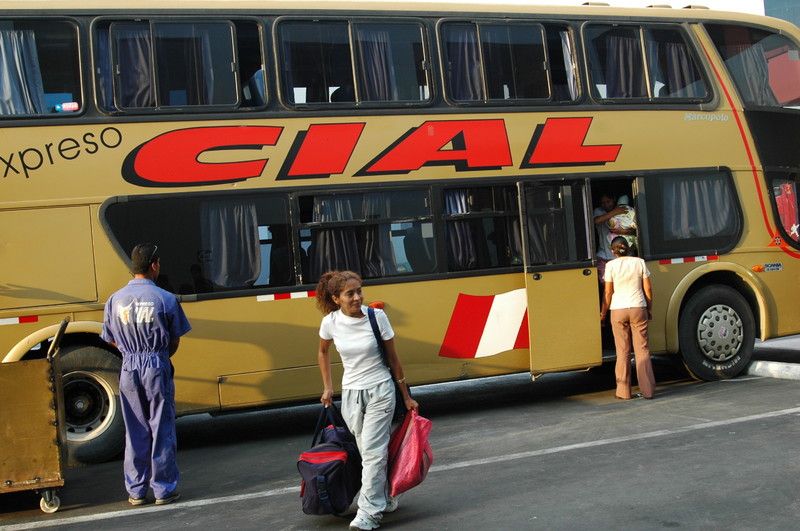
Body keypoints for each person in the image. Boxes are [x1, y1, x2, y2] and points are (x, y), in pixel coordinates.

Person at [316, 270, 418, 531]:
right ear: (336, 298)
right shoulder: (330, 322)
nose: (357, 297)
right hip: (351, 393)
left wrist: (405, 395)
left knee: (372, 453)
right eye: (350, 293)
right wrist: (328, 388)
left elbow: (394, 359)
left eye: (359, 291)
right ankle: (386, 495)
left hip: (380, 390)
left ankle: (368, 513)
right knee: (368, 453)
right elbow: (323, 351)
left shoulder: (377, 317)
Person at [101, 243, 192, 506]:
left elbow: (110, 339)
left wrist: (132, 352)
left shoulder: (114, 300)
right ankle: (163, 489)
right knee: (161, 427)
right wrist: (157, 356)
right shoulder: (165, 298)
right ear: (154, 266)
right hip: (156, 365)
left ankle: (136, 490)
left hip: (129, 366)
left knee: (135, 428)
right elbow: (174, 340)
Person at [600, 237, 656, 400]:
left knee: (623, 351)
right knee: (642, 350)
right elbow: (647, 288)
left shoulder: (610, 266)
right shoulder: (639, 262)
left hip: (618, 310)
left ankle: (623, 392)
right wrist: (649, 308)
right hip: (638, 308)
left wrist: (603, 313)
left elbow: (608, 293)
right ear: (628, 247)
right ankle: (648, 391)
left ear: (613, 251)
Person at [593, 192, 635, 284]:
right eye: (603, 203)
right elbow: (596, 221)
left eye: (608, 202)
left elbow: (636, 229)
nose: (606, 205)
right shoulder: (599, 212)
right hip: (604, 255)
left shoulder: (624, 211)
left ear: (614, 200)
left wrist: (623, 232)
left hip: (623, 255)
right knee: (606, 285)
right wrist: (615, 212)